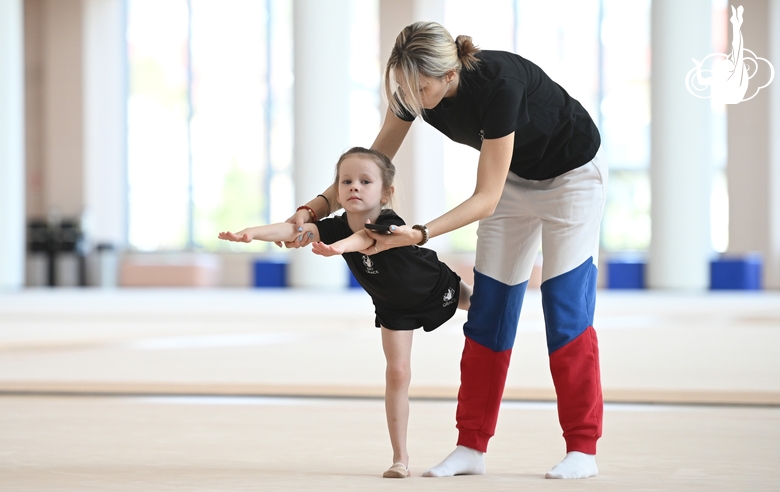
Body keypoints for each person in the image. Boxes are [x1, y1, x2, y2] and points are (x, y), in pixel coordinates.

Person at [288, 22, 606, 480]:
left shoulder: (500, 84)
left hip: (572, 178)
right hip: (515, 180)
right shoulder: (413, 91)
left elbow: (486, 198)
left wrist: (419, 233)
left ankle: (582, 447)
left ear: (450, 75)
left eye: (420, 88)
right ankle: (470, 446)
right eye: (404, 88)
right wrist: (313, 208)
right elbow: (372, 163)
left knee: (564, 307)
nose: (411, 98)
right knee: (488, 309)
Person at [218, 146, 472, 479]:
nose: (354, 186)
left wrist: (337, 248)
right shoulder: (336, 227)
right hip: (394, 307)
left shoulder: (387, 222)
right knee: (397, 374)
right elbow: (294, 231)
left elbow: (365, 239)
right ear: (336, 191)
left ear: (386, 192)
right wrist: (253, 233)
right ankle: (400, 457)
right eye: (346, 181)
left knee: (484, 306)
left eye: (365, 181)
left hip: (435, 287)